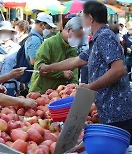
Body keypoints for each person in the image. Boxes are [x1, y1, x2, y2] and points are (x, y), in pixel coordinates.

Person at [39, 1, 132, 143]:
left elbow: (119, 70)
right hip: (108, 111)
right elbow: (76, 61)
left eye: (82, 17)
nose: (81, 21)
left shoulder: (104, 37)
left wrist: (91, 87)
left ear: (90, 18)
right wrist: (49, 67)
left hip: (118, 112)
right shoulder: (97, 40)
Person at [29, 17, 83, 94]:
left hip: (60, 93)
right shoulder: (49, 44)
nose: (79, 39)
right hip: (41, 92)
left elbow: (74, 71)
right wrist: (62, 74)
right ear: (69, 30)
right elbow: (39, 68)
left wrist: (73, 85)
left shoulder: (72, 48)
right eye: (78, 36)